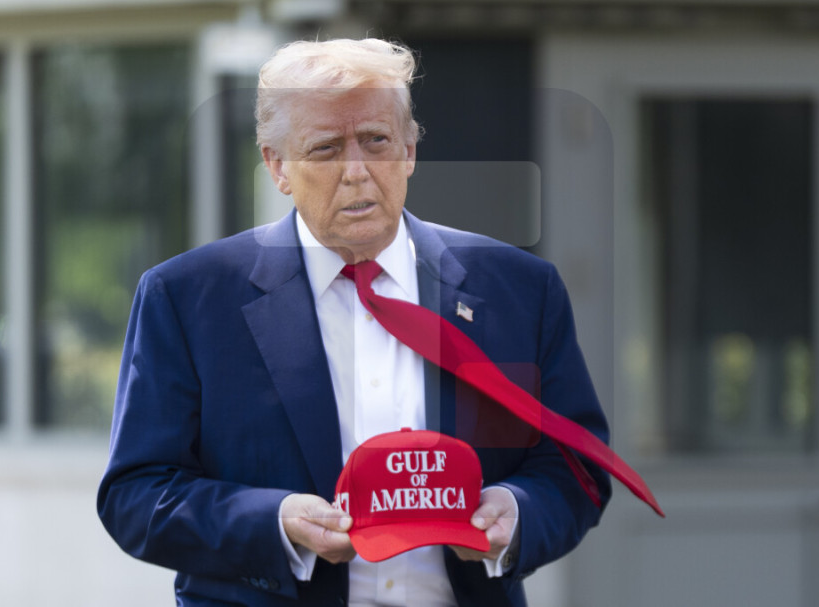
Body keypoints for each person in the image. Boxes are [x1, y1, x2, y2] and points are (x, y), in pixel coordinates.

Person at [97, 37, 611, 607]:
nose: (357, 171)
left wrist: (516, 513)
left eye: (376, 141)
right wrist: (274, 522)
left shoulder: (518, 289)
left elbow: (577, 466)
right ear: (278, 166)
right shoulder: (187, 298)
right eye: (325, 149)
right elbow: (136, 495)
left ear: (409, 150)